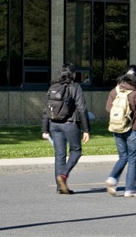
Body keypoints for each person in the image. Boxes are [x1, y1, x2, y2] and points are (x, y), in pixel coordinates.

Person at [41, 64, 90, 194]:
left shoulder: (53, 87)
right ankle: (63, 175)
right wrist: (86, 130)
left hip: (54, 124)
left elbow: (46, 110)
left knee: (59, 155)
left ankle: (60, 187)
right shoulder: (75, 87)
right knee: (76, 151)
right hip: (70, 124)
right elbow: (82, 109)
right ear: (73, 74)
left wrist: (44, 130)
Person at [105, 65, 136, 198]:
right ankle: (129, 190)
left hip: (117, 127)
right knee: (132, 158)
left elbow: (108, 108)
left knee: (123, 156)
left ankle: (112, 178)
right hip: (133, 128)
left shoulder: (115, 91)